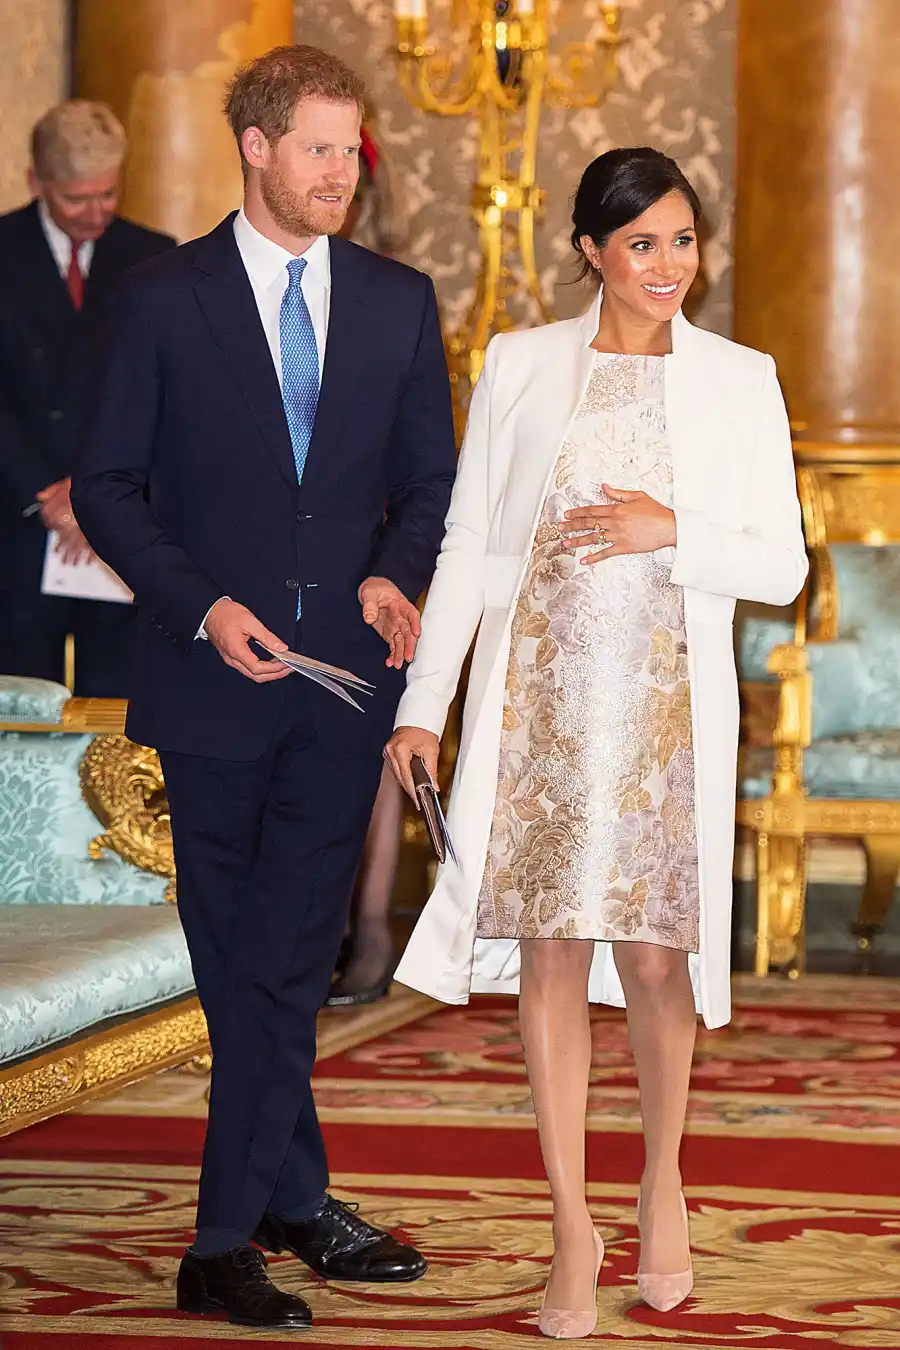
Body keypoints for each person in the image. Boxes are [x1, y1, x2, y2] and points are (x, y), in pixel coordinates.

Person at [385, 147, 808, 1338]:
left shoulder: (740, 378)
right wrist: (426, 705)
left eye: (684, 240)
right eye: (643, 244)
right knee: (556, 958)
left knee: (660, 963)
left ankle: (661, 1172)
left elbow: (780, 563)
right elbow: (468, 547)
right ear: (592, 253)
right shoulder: (520, 363)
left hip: (666, 720)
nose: (671, 264)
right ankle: (572, 1224)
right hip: (542, 719)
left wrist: (671, 529)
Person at [71, 45, 456, 1332]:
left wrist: (397, 577)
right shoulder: (159, 297)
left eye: (353, 151)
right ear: (256, 145)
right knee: (238, 955)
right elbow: (110, 488)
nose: (343, 173)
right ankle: (296, 1200)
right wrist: (203, 605)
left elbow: (431, 486)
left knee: (287, 956)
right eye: (320, 150)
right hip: (207, 672)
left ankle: (220, 1240)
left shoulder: (402, 303)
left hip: (342, 682)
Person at [0, 100, 175, 696]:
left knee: (117, 713)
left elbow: (167, 391)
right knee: (22, 708)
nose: (97, 213)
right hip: (19, 520)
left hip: (118, 523)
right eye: (77, 198)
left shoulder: (154, 256)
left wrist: (92, 490)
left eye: (108, 194)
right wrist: (45, 491)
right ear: (36, 183)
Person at [327, 123, 410, 1007]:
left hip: (387, 558)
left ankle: (375, 925)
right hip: (292, 565)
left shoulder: (394, 295)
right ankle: (327, 926)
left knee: (376, 746)